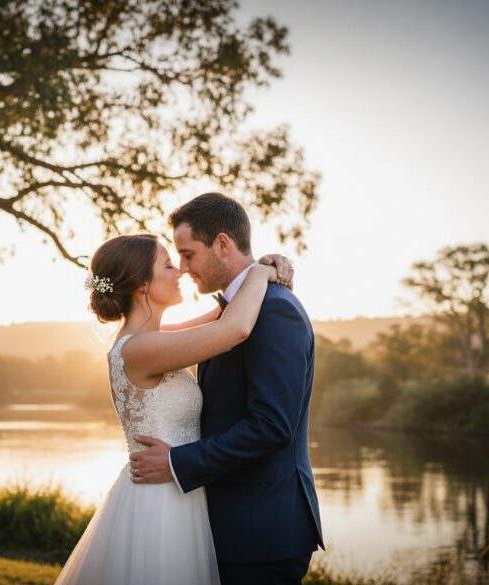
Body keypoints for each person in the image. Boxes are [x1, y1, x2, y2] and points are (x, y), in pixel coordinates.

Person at [54, 221, 294, 585]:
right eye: (168, 264)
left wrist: (255, 269)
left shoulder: (150, 340)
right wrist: (259, 273)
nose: (179, 270)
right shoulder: (140, 349)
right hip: (160, 503)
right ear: (141, 284)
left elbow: (223, 316)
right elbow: (234, 330)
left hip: (178, 489)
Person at [130, 192, 324, 585]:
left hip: (261, 531)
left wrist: (176, 462)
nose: (182, 268)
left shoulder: (275, 311)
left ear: (222, 244)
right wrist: (262, 270)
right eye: (175, 260)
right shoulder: (234, 311)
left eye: (188, 254)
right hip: (227, 523)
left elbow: (272, 426)